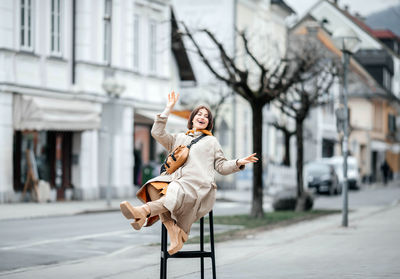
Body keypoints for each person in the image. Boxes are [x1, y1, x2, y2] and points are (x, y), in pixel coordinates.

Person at [120, 91, 258, 255]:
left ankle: (142, 212)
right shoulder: (178, 138)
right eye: (199, 114)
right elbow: (156, 133)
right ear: (192, 119)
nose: (202, 117)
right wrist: (168, 108)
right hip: (177, 181)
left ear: (208, 123)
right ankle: (174, 233)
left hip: (199, 185)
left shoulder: (211, 141)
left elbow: (221, 166)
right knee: (153, 186)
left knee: (173, 191)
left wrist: (238, 163)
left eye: (206, 116)